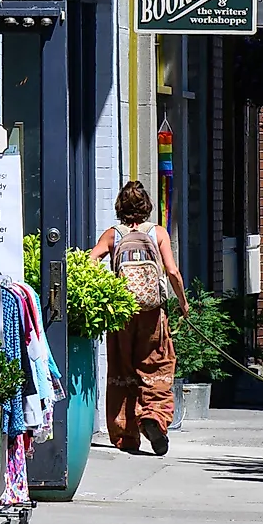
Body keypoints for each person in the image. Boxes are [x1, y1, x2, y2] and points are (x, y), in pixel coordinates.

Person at [93, 180, 184, 454]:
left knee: (122, 370)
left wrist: (102, 293)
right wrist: (182, 302)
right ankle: (154, 417)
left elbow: (91, 259)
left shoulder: (113, 235)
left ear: (120, 207)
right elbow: (172, 271)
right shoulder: (157, 233)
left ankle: (126, 435)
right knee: (157, 365)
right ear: (146, 207)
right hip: (152, 313)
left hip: (122, 313)